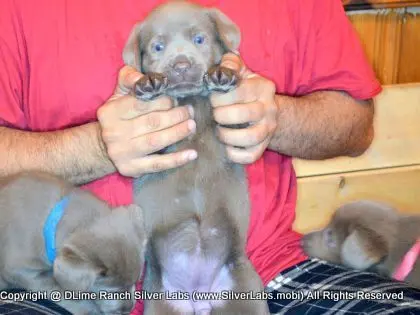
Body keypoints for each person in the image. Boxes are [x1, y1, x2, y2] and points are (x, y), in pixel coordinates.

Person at [1, 0, 419, 314]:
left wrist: (277, 118)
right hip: (69, 277)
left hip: (260, 270)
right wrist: (95, 148)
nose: (181, 60)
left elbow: (356, 124)